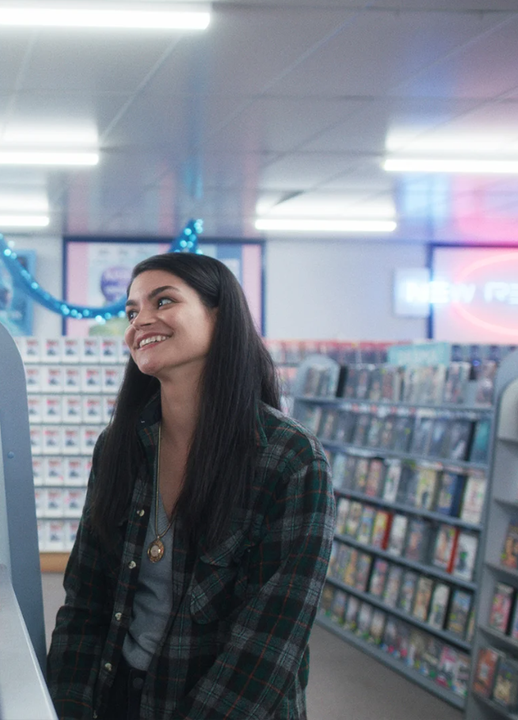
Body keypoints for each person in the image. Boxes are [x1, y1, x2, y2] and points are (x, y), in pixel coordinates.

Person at [47, 252, 334, 719]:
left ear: (219, 317)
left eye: (164, 301)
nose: (142, 320)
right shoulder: (119, 446)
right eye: (132, 311)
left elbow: (266, 645)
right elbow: (86, 601)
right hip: (117, 695)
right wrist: (70, 706)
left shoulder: (290, 459)